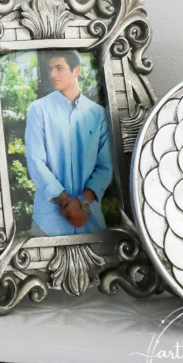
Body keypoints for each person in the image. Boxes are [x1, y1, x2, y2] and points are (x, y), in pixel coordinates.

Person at [24, 49, 112, 236]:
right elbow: (35, 162)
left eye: (59, 68)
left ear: (76, 71)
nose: (52, 74)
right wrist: (67, 203)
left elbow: (105, 167)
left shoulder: (98, 114)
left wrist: (82, 204)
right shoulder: (38, 110)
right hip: (47, 224)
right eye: (50, 69)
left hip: (90, 221)